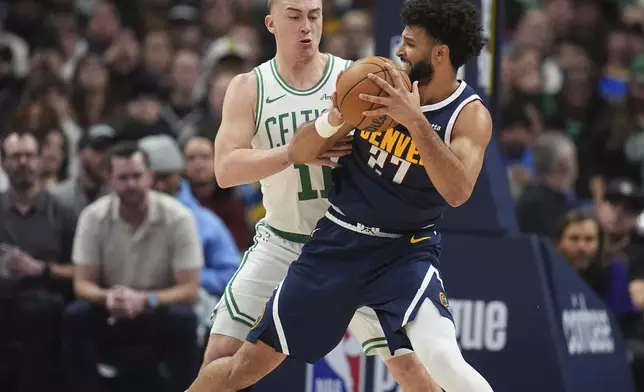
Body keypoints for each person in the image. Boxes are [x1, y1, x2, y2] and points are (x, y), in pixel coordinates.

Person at [187, 0, 496, 391]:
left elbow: (457, 191)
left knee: (429, 366)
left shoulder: (395, 87)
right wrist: (327, 125)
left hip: (399, 251)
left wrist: (413, 120)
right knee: (229, 362)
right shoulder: (268, 85)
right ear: (271, 23)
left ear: (440, 52)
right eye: (295, 16)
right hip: (315, 242)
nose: (307, 26)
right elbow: (243, 165)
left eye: (314, 15)